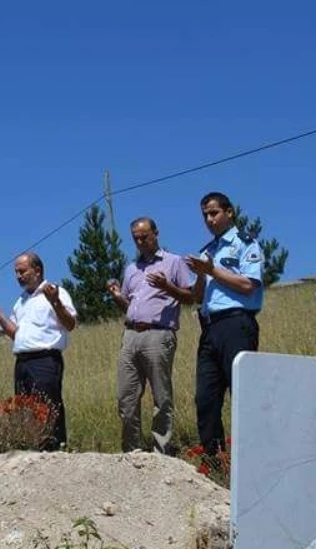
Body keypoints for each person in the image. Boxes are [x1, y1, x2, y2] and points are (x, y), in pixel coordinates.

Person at [185, 191, 264, 458]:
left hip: (236, 323)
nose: (209, 219)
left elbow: (247, 285)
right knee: (206, 398)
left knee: (242, 394)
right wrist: (199, 275)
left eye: (214, 213)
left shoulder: (245, 243)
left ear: (229, 212)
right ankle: (215, 463)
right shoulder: (207, 251)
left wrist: (211, 271)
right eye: (205, 215)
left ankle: (251, 459)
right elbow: (196, 296)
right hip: (209, 327)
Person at [106, 217, 195, 454]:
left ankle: (161, 452)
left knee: (161, 396)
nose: (140, 241)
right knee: (126, 397)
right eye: (135, 238)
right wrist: (117, 297)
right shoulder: (131, 269)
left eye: (144, 236)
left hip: (159, 333)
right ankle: (131, 451)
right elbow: (128, 305)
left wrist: (168, 287)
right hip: (130, 334)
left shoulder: (174, 262)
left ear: (156, 233)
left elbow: (190, 297)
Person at [0, 252, 77, 450]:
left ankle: (53, 449)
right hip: (22, 361)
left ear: (37, 270)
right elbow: (15, 333)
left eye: (22, 271)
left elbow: (70, 324)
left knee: (47, 406)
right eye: (16, 272)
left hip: (45, 359)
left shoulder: (56, 292)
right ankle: (31, 450)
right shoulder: (21, 301)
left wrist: (55, 302)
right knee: (24, 410)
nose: (19, 276)